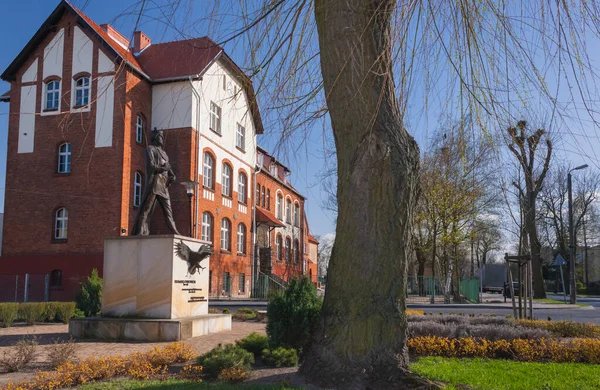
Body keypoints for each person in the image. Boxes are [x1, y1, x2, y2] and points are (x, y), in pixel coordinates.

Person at [133, 129, 180, 235]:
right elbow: (151, 167)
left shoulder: (164, 153)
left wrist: (172, 176)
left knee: (168, 211)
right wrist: (164, 169)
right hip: (155, 183)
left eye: (162, 137)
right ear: (155, 137)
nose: (162, 139)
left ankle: (174, 230)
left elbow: (168, 168)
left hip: (163, 186)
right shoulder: (150, 149)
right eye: (160, 137)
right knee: (147, 209)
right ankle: (140, 231)